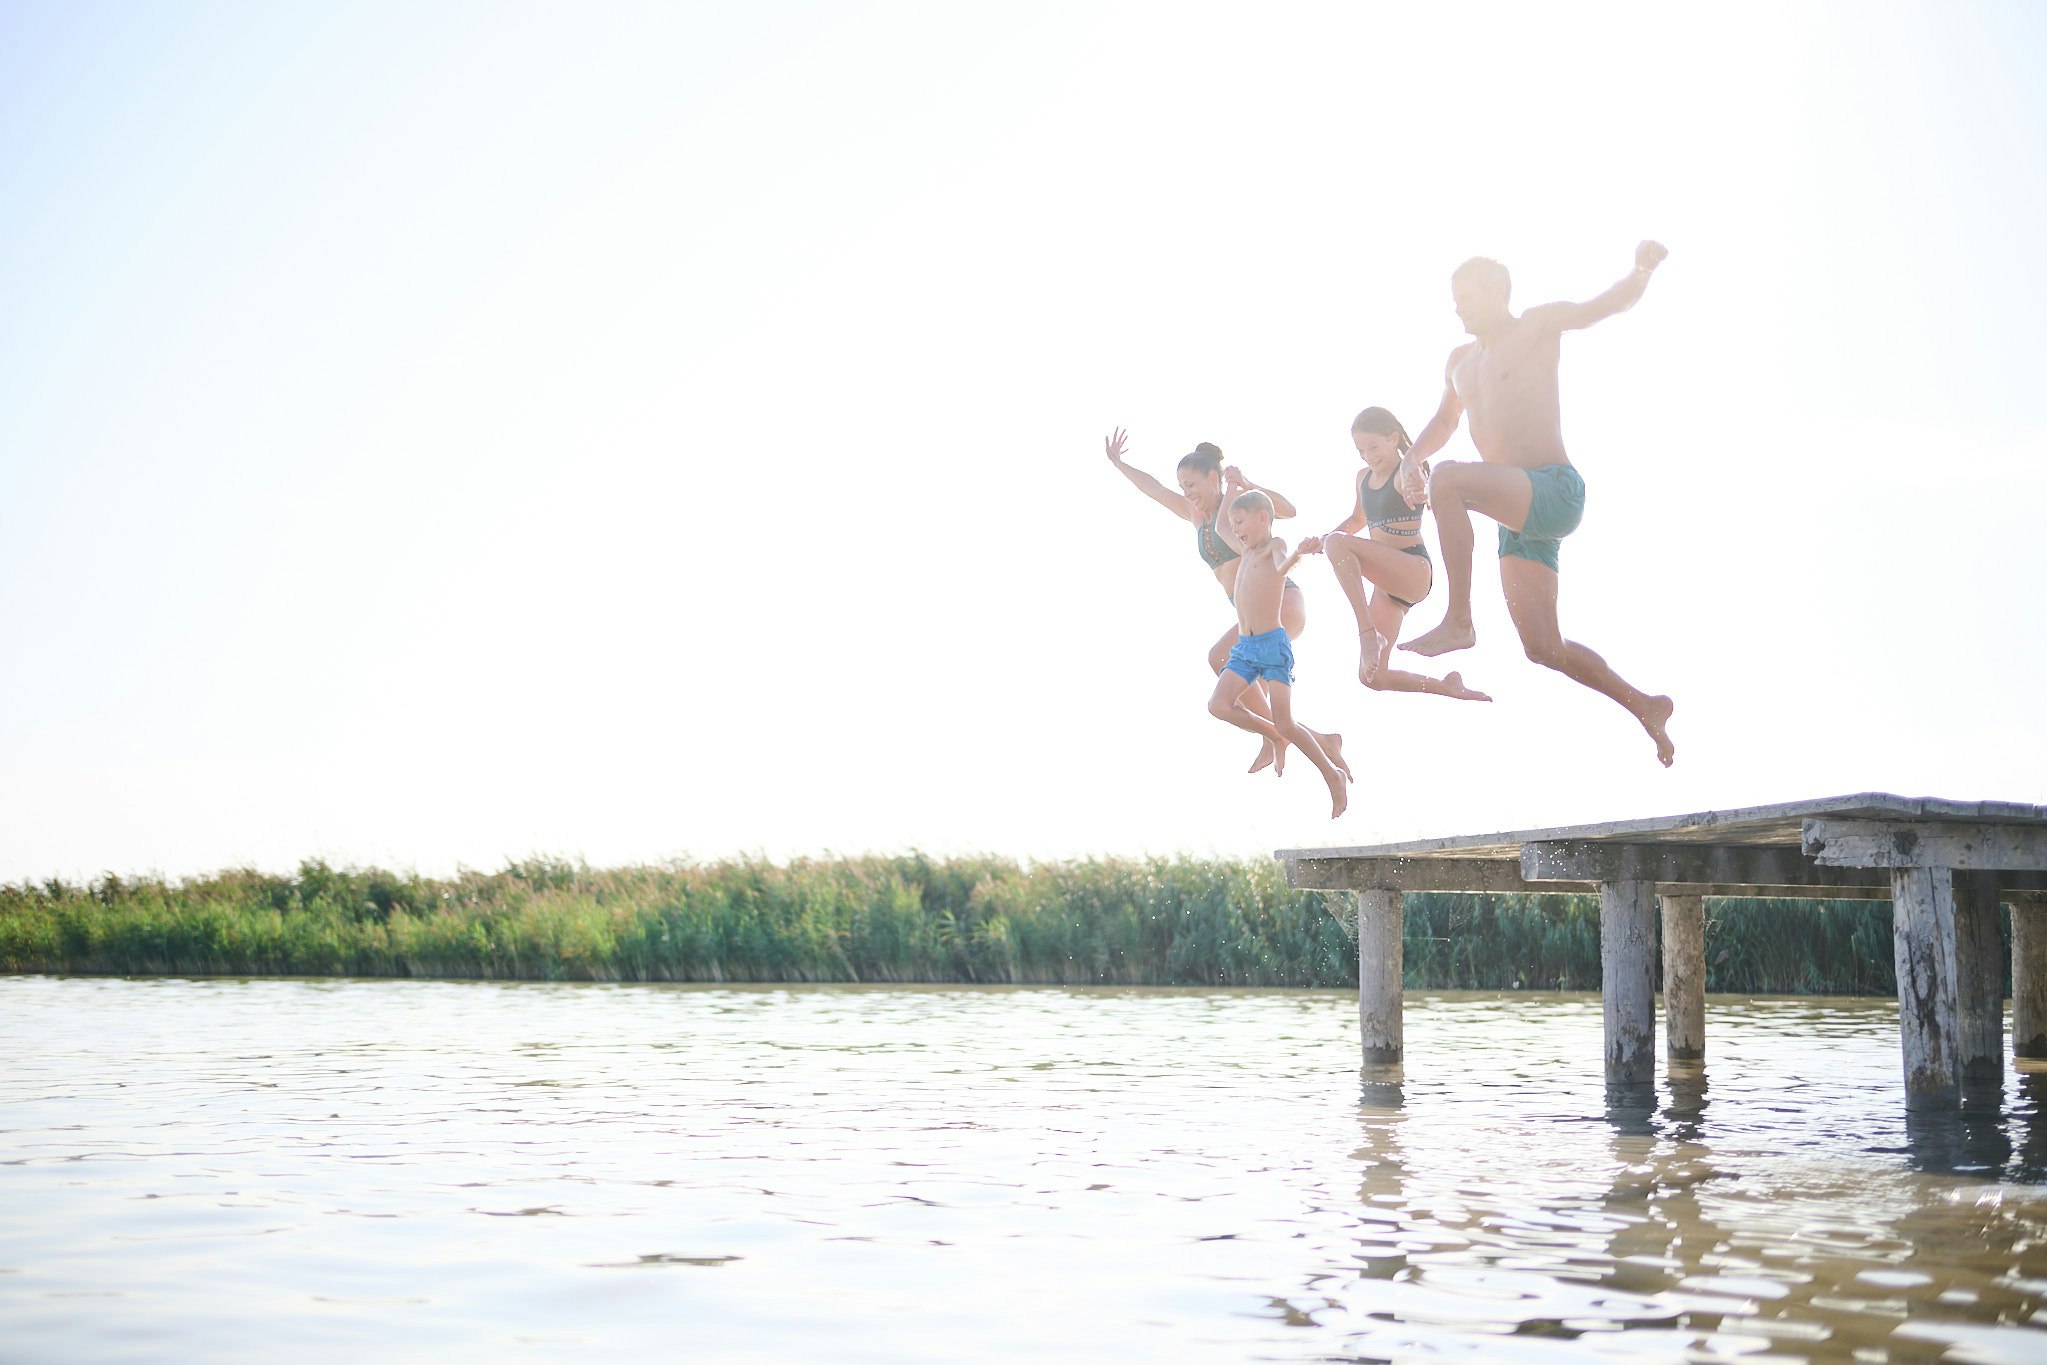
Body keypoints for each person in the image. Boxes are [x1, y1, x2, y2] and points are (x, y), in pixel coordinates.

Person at [1395, 243, 1677, 766]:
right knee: (1543, 647)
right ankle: (1646, 708)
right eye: (1454, 299)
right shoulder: (1459, 362)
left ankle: (1459, 619)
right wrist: (1411, 456)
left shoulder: (1536, 327)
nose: (1459, 307)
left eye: (1468, 296)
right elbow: (1443, 422)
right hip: (1516, 517)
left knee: (1450, 481)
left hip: (1552, 488)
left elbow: (1607, 304)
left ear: (1499, 292)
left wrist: (1640, 270)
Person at [1104, 429, 1348, 778]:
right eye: (1183, 486)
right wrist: (1119, 463)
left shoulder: (1239, 507)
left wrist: (1248, 482)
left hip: (1282, 601)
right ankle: (1319, 741)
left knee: (1220, 657)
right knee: (1250, 691)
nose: (1187, 493)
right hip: (1252, 615)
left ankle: (1279, 739)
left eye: (1192, 484)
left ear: (1214, 479)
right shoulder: (1195, 516)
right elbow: (1154, 489)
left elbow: (1288, 510)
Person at [1322, 406, 1492, 703]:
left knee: (1337, 544)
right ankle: (1448, 686)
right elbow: (1356, 521)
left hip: (1413, 569)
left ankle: (1367, 634)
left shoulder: (1406, 472)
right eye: (1361, 450)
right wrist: (1323, 540)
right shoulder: (1363, 477)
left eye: (1373, 447)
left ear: (1393, 438)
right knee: (1373, 678)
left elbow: (1420, 488)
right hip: (1387, 588)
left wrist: (1422, 490)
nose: (1367, 456)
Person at [1208, 487, 1349, 818]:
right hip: (1244, 649)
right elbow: (1219, 529)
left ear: (1262, 518)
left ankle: (1332, 775)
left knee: (1286, 721)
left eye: (1240, 522)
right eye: (1233, 524)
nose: (1236, 530)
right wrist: (1230, 486)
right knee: (1218, 706)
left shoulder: (1273, 546)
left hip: (1272, 646)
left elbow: (1284, 565)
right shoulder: (1245, 553)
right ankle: (1274, 736)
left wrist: (1299, 552)